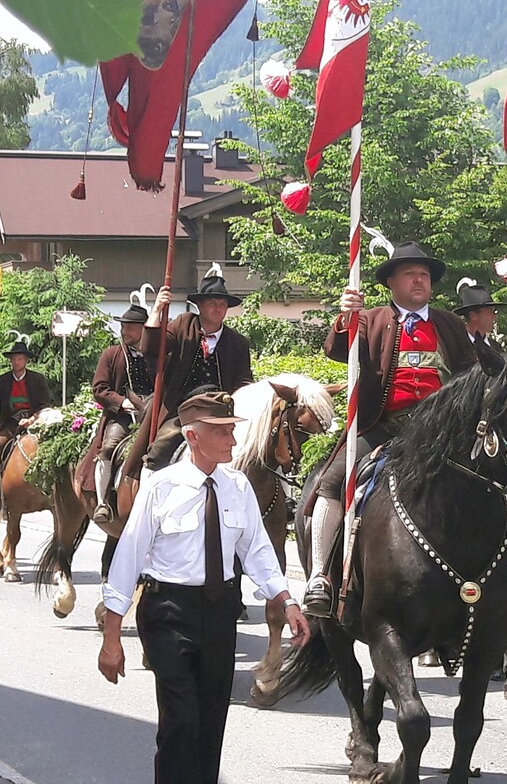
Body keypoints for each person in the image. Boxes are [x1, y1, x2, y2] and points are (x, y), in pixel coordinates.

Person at [98, 391, 310, 784]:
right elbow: (127, 559)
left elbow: (258, 551)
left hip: (219, 614)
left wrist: (287, 600)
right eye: (223, 431)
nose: (233, 439)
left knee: (211, 724)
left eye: (232, 429)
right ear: (193, 436)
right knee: (180, 721)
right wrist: (113, 638)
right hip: (168, 614)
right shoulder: (161, 487)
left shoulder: (239, 486)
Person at [302, 241, 477, 617]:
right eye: (411, 274)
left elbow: (469, 374)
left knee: (499, 475)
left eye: (425, 275)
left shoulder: (449, 323)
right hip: (383, 426)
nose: (419, 281)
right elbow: (336, 350)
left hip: (441, 433)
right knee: (332, 482)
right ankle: (319, 574)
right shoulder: (371, 319)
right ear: (392, 282)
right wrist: (345, 318)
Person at [127, 263, 252, 481]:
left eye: (222, 304)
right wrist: (156, 310)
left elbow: (244, 382)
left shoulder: (238, 342)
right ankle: (147, 493)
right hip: (183, 409)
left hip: (222, 410)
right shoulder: (183, 324)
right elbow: (152, 348)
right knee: (160, 450)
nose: (218, 308)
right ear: (200, 306)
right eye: (212, 303)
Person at [89, 299, 155, 524]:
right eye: (123, 326)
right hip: (123, 416)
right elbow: (99, 389)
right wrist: (121, 402)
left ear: (143, 329)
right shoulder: (111, 354)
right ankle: (102, 502)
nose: (124, 331)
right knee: (108, 448)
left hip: (154, 413)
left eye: (129, 327)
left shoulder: (156, 355)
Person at [0, 339, 52, 513]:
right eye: (13, 359)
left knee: (51, 449)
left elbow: (45, 405)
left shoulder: (37, 379)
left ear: (26, 360)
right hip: (11, 423)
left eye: (19, 359)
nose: (16, 362)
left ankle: (53, 492)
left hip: (35, 422)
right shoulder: (2, 381)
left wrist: (32, 419)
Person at [454, 277, 505, 346]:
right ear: (473, 315)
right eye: (491, 312)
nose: (494, 317)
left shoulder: (495, 348)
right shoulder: (456, 347)